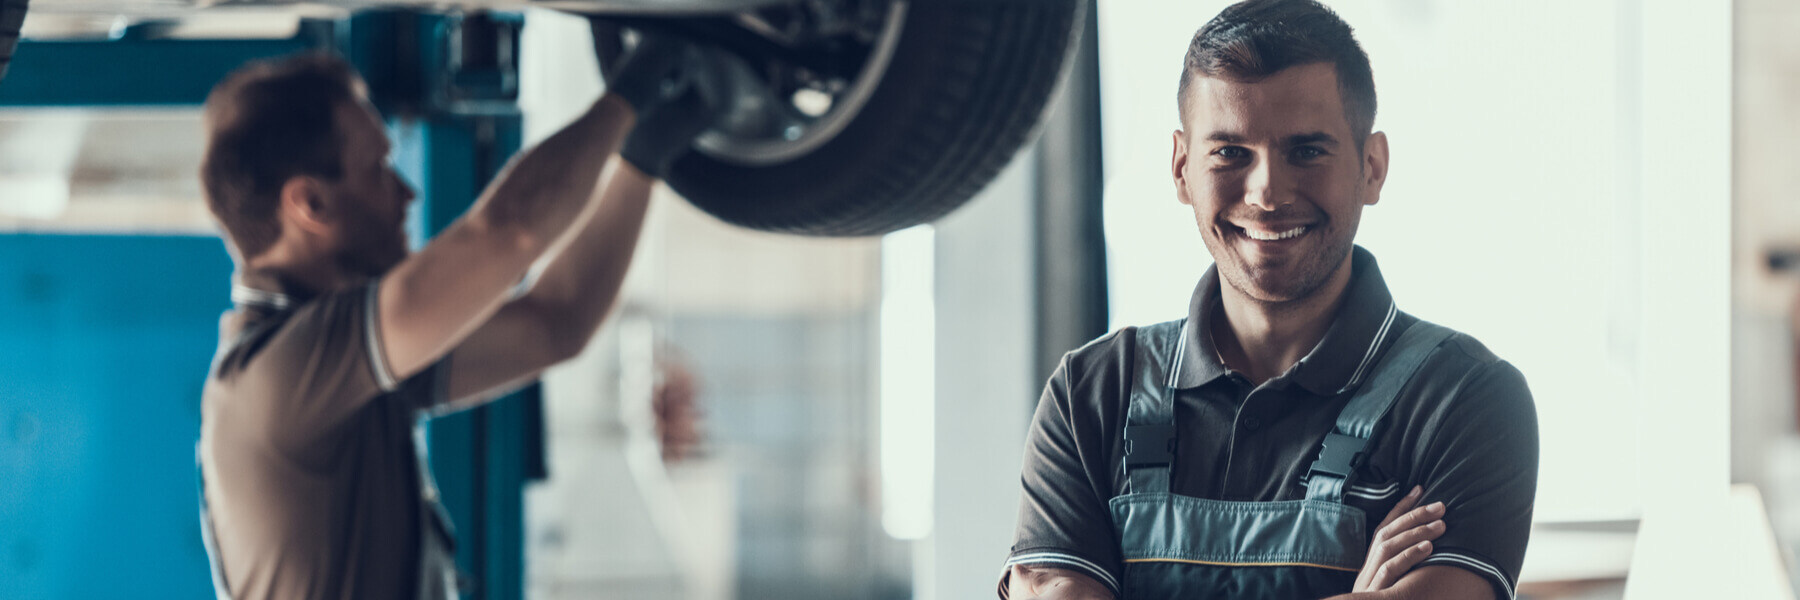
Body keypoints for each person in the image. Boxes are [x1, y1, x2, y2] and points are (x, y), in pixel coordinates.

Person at [999, 1, 1537, 598]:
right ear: (1181, 169)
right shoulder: (1089, 395)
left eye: (1306, 150)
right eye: (1230, 152)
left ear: (1372, 166)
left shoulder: (1466, 401)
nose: (1267, 193)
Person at [194, 33, 724, 600]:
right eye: (378, 169)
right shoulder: (279, 377)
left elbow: (557, 319)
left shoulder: (344, 374)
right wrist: (626, 96)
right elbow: (508, 235)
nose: (407, 193)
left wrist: (642, 160)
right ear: (310, 204)